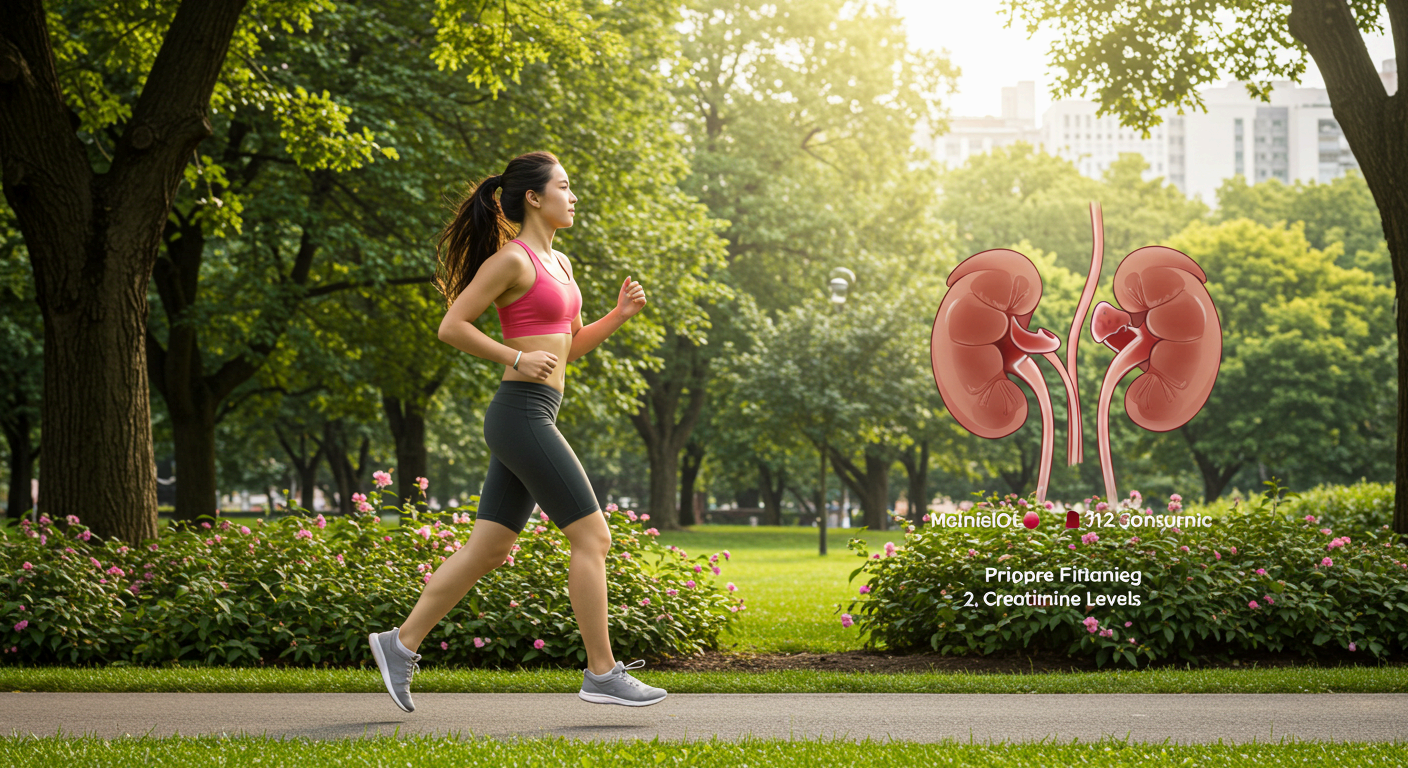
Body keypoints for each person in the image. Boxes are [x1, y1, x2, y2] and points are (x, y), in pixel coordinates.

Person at [367, 151, 663, 712]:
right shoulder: (512, 260)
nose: (573, 197)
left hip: (537, 414)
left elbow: (569, 345)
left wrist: (618, 315)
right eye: (565, 187)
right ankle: (602, 673)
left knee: (492, 546)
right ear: (534, 197)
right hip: (519, 412)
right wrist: (513, 357)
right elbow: (451, 325)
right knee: (593, 537)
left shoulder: (563, 263)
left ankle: (399, 643)